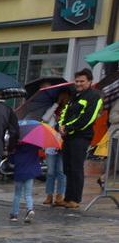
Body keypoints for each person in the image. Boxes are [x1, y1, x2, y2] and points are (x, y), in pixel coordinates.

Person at [60, 68, 104, 208]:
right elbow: (65, 111)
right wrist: (61, 125)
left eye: (82, 81)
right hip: (68, 137)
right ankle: (68, 197)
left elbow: (87, 118)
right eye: (77, 81)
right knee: (67, 168)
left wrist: (68, 127)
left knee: (76, 168)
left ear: (89, 81)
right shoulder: (75, 95)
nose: (78, 84)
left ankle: (75, 199)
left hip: (81, 137)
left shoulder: (94, 96)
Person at [41, 94, 68, 206]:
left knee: (61, 171)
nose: (64, 99)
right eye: (62, 97)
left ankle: (60, 194)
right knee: (51, 172)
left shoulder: (69, 110)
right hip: (51, 145)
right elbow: (45, 118)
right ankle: (49, 194)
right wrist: (56, 104)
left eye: (66, 97)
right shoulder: (52, 110)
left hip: (63, 144)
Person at [8, 134, 42, 223]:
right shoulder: (33, 146)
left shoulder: (15, 147)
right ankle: (30, 209)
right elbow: (40, 148)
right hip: (30, 173)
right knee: (28, 194)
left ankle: (14, 215)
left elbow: (11, 161)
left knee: (17, 194)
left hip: (19, 173)